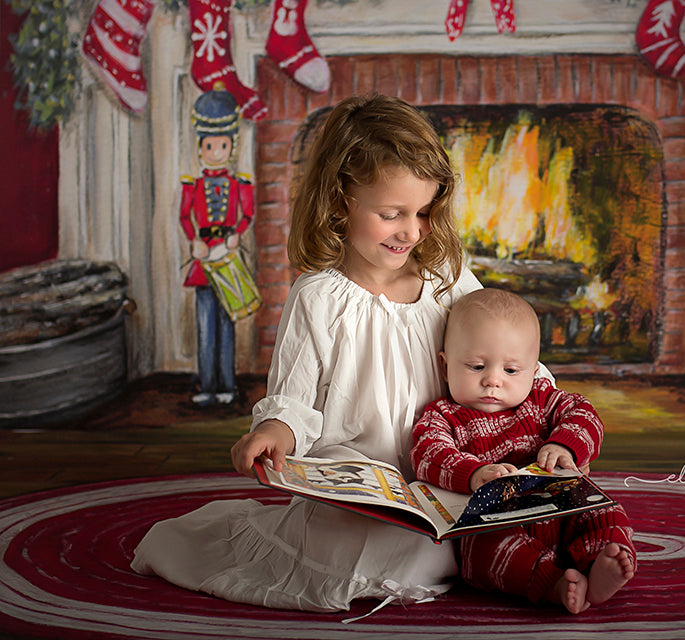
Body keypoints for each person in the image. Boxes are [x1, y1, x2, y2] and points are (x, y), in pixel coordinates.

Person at [133, 94, 491, 613]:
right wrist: (273, 432)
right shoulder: (319, 297)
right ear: (341, 199)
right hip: (359, 486)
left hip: (446, 471)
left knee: (508, 523)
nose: (411, 231)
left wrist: (540, 406)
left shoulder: (447, 283)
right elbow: (293, 400)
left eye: (424, 212)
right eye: (392, 214)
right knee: (388, 552)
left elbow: (505, 351)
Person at [410, 288, 637, 615]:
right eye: (476, 367)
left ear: (534, 371)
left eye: (511, 370)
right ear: (445, 367)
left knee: (605, 513)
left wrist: (564, 444)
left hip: (563, 508)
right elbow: (428, 453)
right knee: (485, 553)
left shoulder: (542, 400)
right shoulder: (443, 415)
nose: (492, 381)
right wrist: (474, 473)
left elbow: (585, 414)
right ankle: (556, 585)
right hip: (496, 521)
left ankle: (603, 562)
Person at [179, 83, 258, 406]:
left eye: (221, 146)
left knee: (227, 323)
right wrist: (194, 240)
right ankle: (207, 386)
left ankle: (226, 385)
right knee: (204, 326)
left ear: (231, 146)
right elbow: (185, 217)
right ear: (201, 147)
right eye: (209, 146)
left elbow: (248, 214)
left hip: (228, 258)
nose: (215, 152)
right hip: (203, 261)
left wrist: (238, 232)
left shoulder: (239, 184)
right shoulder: (192, 185)